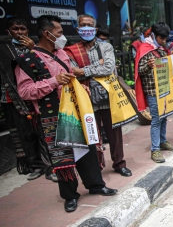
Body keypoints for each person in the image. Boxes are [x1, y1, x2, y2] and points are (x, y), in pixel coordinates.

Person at [15, 15, 118, 212]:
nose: (62, 36)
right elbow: (25, 92)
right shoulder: (27, 60)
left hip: (76, 110)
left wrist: (80, 88)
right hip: (52, 116)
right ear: (47, 34)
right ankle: (70, 195)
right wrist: (54, 81)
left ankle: (96, 185)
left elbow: (71, 78)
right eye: (59, 32)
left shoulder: (61, 53)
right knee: (62, 157)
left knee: (88, 149)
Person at [65, 14, 132, 177]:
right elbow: (74, 73)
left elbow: (108, 68)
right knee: (92, 135)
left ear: (94, 29)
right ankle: (97, 166)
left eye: (89, 25)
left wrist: (85, 70)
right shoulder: (72, 51)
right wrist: (97, 66)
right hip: (87, 99)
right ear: (78, 28)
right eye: (83, 25)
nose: (86, 28)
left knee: (115, 133)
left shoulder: (106, 47)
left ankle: (119, 163)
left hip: (109, 97)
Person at [0, 17, 56, 181]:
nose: (19, 32)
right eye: (15, 29)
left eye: (22, 29)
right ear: (8, 32)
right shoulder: (4, 50)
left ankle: (50, 167)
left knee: (43, 131)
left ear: (28, 31)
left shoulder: (36, 48)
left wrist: (33, 49)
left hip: (38, 96)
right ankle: (35, 165)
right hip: (14, 100)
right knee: (25, 133)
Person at [134, 21, 173, 163]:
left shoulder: (160, 49)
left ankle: (163, 141)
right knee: (156, 120)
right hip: (152, 91)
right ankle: (155, 149)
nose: (164, 41)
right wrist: (148, 66)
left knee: (164, 116)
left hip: (163, 89)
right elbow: (139, 71)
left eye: (165, 39)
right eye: (161, 38)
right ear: (153, 35)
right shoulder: (145, 48)